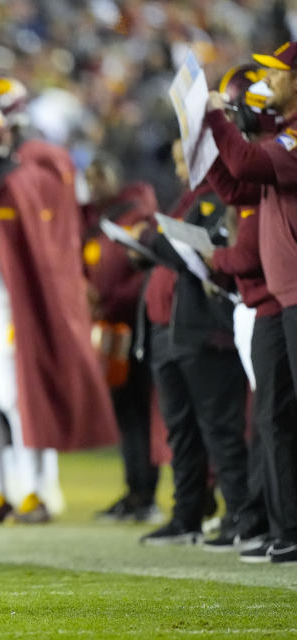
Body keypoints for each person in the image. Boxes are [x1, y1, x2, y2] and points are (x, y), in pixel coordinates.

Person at [0, 103, 117, 524]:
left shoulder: (16, 182)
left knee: (15, 396)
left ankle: (37, 490)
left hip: (2, 301)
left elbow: (41, 252)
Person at [202, 42, 297, 564]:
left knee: (281, 417)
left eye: (278, 76)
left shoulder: (293, 137)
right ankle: (286, 527)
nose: (268, 85)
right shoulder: (281, 138)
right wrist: (207, 142)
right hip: (281, 298)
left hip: (289, 295)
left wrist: (216, 122)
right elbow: (238, 186)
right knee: (274, 418)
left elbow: (245, 161)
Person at [134, 141, 250, 547]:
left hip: (206, 328)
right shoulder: (191, 198)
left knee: (220, 428)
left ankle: (243, 515)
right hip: (171, 329)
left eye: (188, 161)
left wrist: (155, 239)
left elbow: (206, 252)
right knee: (181, 430)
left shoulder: (222, 196)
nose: (182, 170)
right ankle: (188, 516)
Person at [81, 155, 164, 523]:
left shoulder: (135, 213)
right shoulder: (96, 218)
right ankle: (134, 490)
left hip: (134, 325)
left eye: (101, 179)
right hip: (111, 327)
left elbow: (142, 271)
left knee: (140, 409)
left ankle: (146, 493)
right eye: (91, 179)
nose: (95, 186)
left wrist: (109, 300)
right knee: (125, 410)